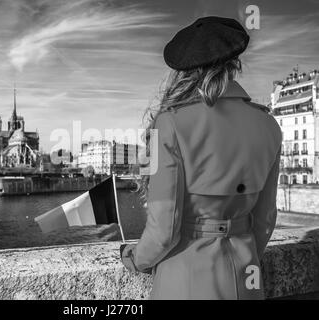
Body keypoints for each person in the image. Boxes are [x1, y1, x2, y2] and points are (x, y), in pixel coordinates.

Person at [120, 16, 282, 300]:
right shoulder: (268, 125)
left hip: (186, 278)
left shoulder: (171, 123)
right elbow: (265, 218)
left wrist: (135, 258)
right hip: (246, 278)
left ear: (184, 71)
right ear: (233, 64)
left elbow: (163, 231)